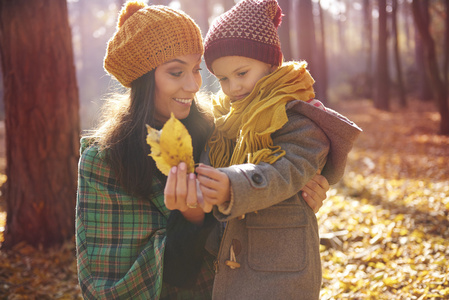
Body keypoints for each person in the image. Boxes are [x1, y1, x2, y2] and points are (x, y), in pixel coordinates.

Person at [75, 1, 330, 299]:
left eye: (196, 70)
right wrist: (191, 219)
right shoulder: (103, 158)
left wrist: (300, 192)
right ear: (143, 78)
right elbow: (108, 283)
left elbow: (272, 178)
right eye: (175, 72)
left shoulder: (218, 131)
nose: (194, 85)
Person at [166, 0, 362, 299]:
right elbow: (210, 163)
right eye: (223, 79)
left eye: (242, 73)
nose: (232, 88)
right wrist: (204, 186)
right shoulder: (225, 121)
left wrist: (233, 184)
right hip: (230, 259)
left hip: (282, 268)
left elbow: (289, 169)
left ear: (271, 64)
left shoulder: (299, 117)